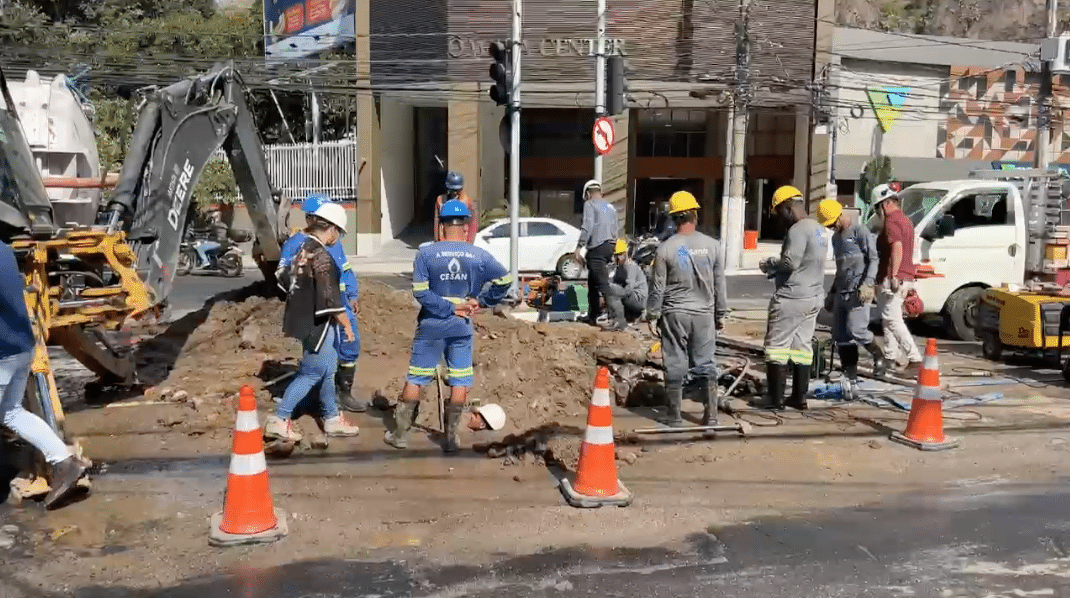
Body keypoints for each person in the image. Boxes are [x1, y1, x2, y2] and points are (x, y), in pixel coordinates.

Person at [386, 200, 511, 453]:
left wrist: (446, 307)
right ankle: (452, 439)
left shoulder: (426, 254)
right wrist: (482, 301)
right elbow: (505, 280)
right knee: (459, 379)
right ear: (466, 228)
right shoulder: (479, 256)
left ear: (441, 227)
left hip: (432, 323)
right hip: (461, 325)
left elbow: (420, 292)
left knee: (416, 377)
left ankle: (400, 435)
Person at [0, 240, 87, 509]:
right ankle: (64, 461)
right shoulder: (3, 248)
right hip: (23, 347)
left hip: (2, 352)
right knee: (10, 412)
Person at [266, 202, 360, 442]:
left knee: (328, 370)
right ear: (331, 230)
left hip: (303, 320)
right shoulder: (322, 257)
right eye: (338, 232)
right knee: (311, 372)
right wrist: (346, 325)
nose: (337, 238)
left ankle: (331, 418)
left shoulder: (302, 249)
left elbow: (283, 280)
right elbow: (330, 298)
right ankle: (280, 418)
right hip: (319, 324)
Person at [645, 191, 727, 427]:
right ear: (695, 215)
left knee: (675, 362)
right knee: (705, 363)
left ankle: (674, 415)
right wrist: (721, 314)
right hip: (704, 314)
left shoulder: (665, 249)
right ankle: (711, 415)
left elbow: (657, 287)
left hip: (675, 314)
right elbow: (720, 284)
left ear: (674, 218)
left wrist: (652, 314)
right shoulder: (712, 246)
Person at [753, 186, 829, 411]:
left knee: (776, 347)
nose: (779, 219)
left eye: (779, 213)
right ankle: (799, 397)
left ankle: (774, 400)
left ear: (787, 209)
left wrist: (771, 264)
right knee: (801, 348)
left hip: (792, 298)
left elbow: (790, 263)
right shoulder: (818, 229)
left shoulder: (797, 230)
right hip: (813, 296)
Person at [822, 199, 887, 387]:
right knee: (841, 334)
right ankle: (849, 372)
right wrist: (832, 293)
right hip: (842, 290)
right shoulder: (836, 239)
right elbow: (840, 268)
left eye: (833, 222)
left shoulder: (860, 232)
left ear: (841, 215)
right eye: (829, 225)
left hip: (859, 291)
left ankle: (878, 356)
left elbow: (873, 259)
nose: (833, 227)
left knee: (856, 329)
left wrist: (868, 283)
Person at [872, 185, 923, 374]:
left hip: (894, 276)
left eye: (877, 208)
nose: (878, 213)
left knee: (892, 319)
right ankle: (890, 357)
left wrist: (893, 275)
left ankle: (915, 358)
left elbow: (897, 247)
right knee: (888, 318)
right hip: (903, 275)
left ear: (884, 205)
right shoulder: (906, 220)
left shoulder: (892, 221)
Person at [574, 179, 619, 325]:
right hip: (609, 246)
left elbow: (587, 225)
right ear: (600, 192)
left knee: (602, 283)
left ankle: (616, 317)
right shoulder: (610, 207)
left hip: (597, 246)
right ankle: (593, 315)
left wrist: (579, 247)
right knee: (593, 282)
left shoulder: (589, 204)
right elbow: (616, 229)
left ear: (587, 193)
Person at [603, 238, 648, 331]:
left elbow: (628, 289)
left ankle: (620, 322)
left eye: (620, 255)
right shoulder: (621, 267)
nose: (618, 258)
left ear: (626, 254)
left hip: (638, 299)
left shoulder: (629, 266)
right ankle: (621, 317)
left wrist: (613, 291)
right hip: (633, 297)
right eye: (616, 255)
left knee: (611, 290)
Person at [433, 171, 478, 244]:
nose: (454, 193)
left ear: (461, 188)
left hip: (462, 241)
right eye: (452, 190)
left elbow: (473, 224)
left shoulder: (468, 203)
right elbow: (436, 221)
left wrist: (469, 243)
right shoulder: (441, 200)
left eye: (457, 190)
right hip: (444, 240)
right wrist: (437, 241)